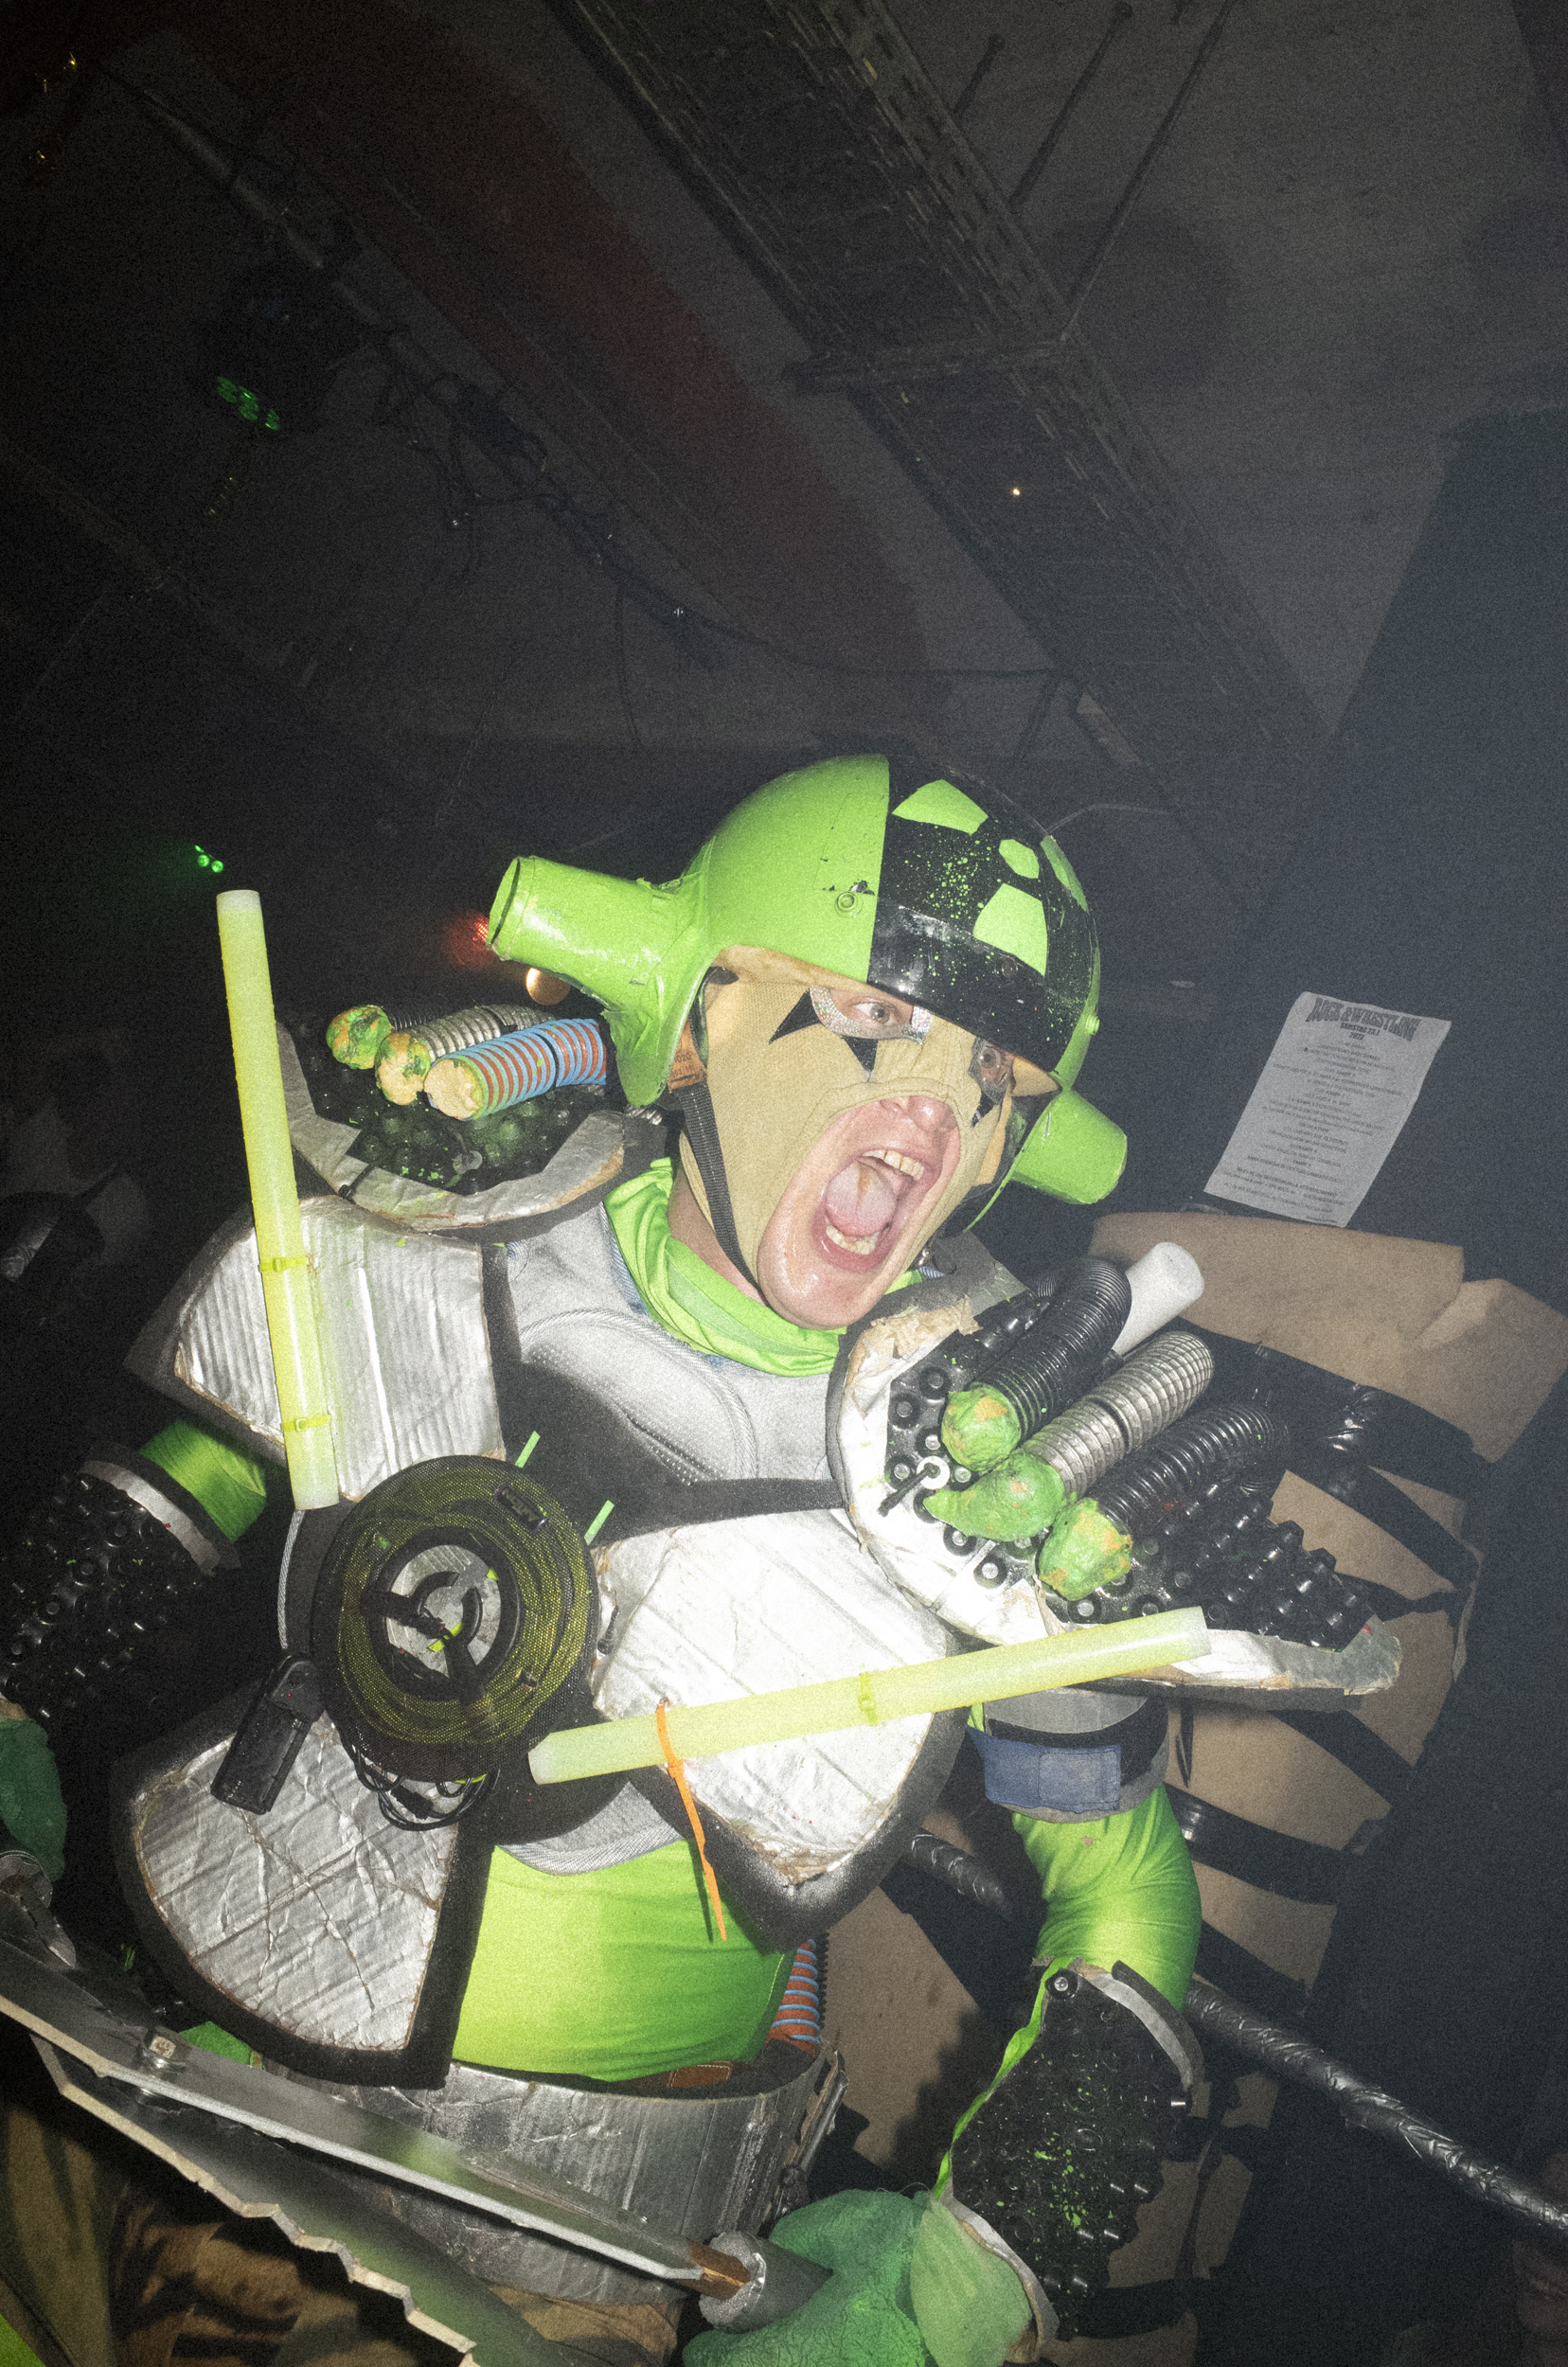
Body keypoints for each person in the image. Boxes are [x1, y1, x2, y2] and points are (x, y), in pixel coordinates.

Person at [0, 755, 1205, 2367]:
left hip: (560, 2266)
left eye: (996, 1077)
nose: (935, 1112)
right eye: (869, 1019)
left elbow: (1122, 1890)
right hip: (177, 2097)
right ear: (694, 1019)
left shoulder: (989, 1469)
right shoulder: (433, 1225)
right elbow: (168, 1500)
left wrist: (976, 2268)